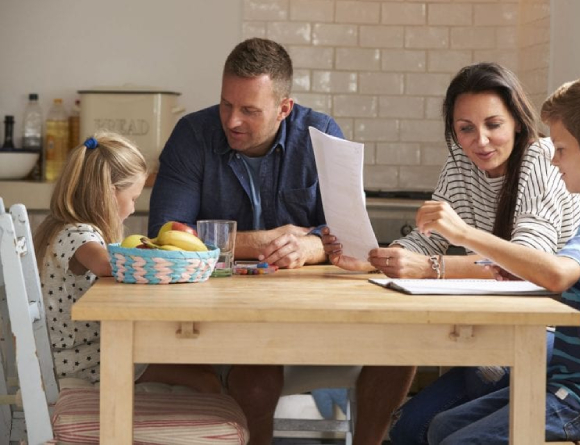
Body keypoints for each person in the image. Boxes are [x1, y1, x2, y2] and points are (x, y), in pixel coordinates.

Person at [148, 37, 415, 444]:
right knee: (256, 378)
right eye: (226, 104)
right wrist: (262, 242)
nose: (232, 120)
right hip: (224, 317)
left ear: (284, 108)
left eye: (249, 110)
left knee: (400, 349)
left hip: (314, 315)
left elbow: (353, 237)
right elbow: (166, 235)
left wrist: (314, 245)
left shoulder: (321, 134)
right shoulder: (192, 135)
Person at [322, 62, 580, 444]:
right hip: (492, 334)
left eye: (493, 124)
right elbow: (426, 241)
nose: (480, 141)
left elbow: (526, 266)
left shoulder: (540, 159)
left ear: (516, 120)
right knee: (407, 429)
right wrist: (375, 257)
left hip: (546, 339)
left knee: (444, 428)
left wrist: (429, 268)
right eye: (466, 129)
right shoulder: (460, 164)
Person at [413, 74, 580, 444]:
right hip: (576, 387)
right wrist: (518, 274)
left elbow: (559, 274)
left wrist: (463, 234)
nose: (554, 159)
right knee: (442, 426)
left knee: (456, 441)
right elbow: (573, 289)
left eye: (560, 149)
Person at [33, 132, 220, 393]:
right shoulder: (77, 234)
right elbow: (107, 265)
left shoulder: (61, 225)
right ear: (108, 194)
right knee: (206, 380)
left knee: (202, 368)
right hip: (81, 362)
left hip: (83, 353)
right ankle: (183, 433)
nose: (133, 209)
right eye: (132, 198)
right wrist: (162, 255)